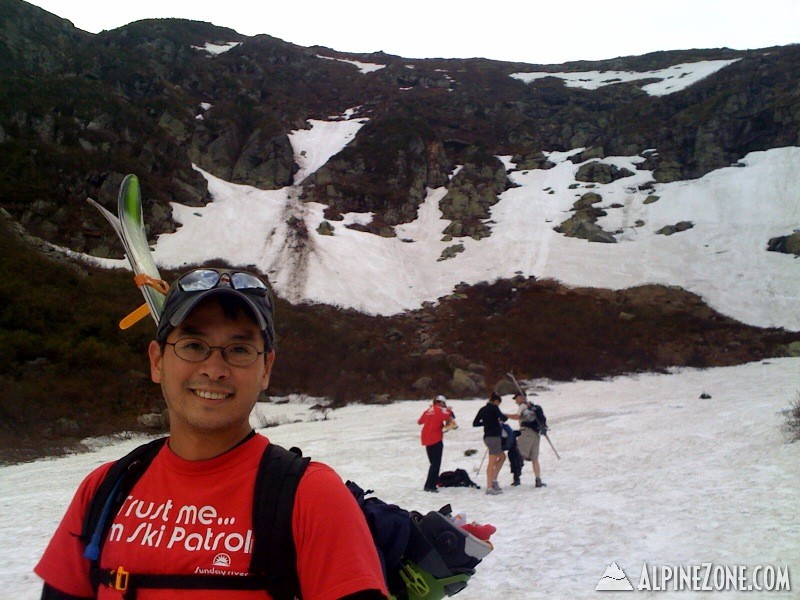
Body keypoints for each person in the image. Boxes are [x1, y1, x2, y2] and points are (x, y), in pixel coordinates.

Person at [35, 267, 388, 599]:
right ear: (157, 361)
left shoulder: (312, 497)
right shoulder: (104, 488)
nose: (214, 369)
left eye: (239, 349)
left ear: (266, 368)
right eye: (192, 345)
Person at [508, 391, 548, 488]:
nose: (515, 401)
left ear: (521, 397)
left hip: (526, 433)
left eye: (516, 398)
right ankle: (538, 479)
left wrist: (504, 415)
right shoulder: (533, 407)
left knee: (520, 455)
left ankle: (516, 478)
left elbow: (517, 416)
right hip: (536, 434)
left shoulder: (523, 406)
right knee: (535, 458)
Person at [472, 392, 508, 495]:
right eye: (499, 403)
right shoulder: (494, 408)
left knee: (502, 457)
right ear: (496, 401)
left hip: (487, 437)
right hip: (494, 437)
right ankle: (489, 486)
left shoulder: (483, 409)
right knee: (492, 461)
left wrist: (486, 422)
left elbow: (475, 423)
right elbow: (503, 418)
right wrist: (495, 421)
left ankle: (493, 480)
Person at [417, 395, 455, 492]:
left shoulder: (428, 410)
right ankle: (430, 486)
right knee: (435, 464)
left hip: (426, 438)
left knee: (432, 464)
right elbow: (447, 415)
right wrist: (449, 410)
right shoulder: (439, 410)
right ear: (440, 402)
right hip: (435, 438)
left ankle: (431, 483)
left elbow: (420, 421)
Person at [501, 422, 523, 486]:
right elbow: (517, 433)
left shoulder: (499, 428)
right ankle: (517, 478)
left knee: (514, 460)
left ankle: (516, 478)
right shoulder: (506, 428)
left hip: (505, 446)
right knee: (515, 460)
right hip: (512, 447)